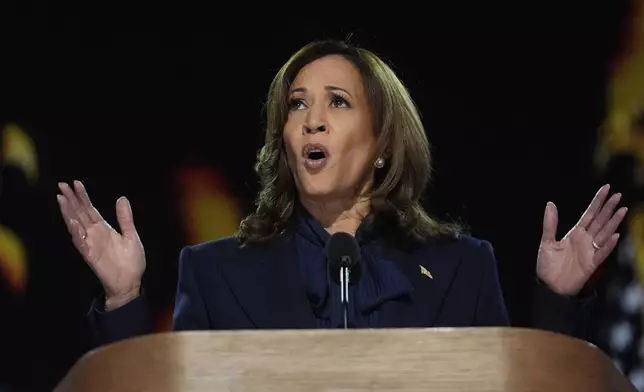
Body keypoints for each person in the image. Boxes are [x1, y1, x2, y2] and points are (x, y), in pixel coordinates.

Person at [56, 40, 627, 346]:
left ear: (381, 142)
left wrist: (557, 301)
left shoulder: (462, 268)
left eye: (338, 101)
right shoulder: (214, 273)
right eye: (297, 104)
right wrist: (124, 300)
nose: (312, 120)